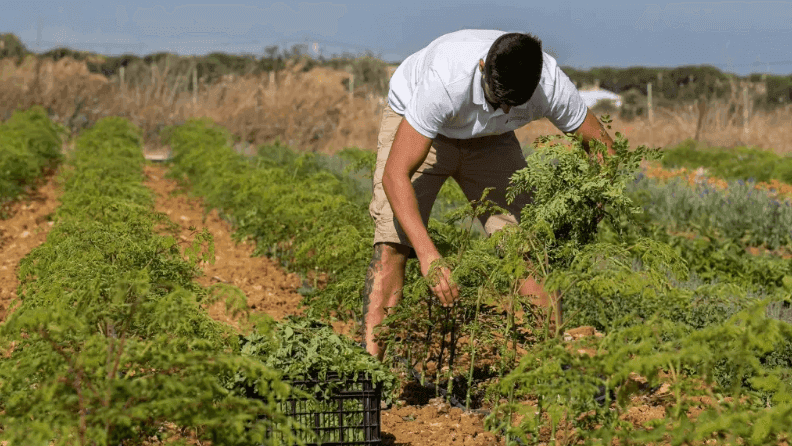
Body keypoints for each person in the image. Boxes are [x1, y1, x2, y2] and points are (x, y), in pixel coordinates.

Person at [363, 29, 614, 359]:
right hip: (422, 127)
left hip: (492, 139)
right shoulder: (445, 81)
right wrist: (428, 256)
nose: (505, 107)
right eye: (498, 99)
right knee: (392, 244)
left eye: (513, 104)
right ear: (483, 67)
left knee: (526, 247)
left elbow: (602, 147)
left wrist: (593, 207)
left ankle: (548, 368)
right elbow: (395, 176)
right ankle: (371, 379)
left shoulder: (550, 84)